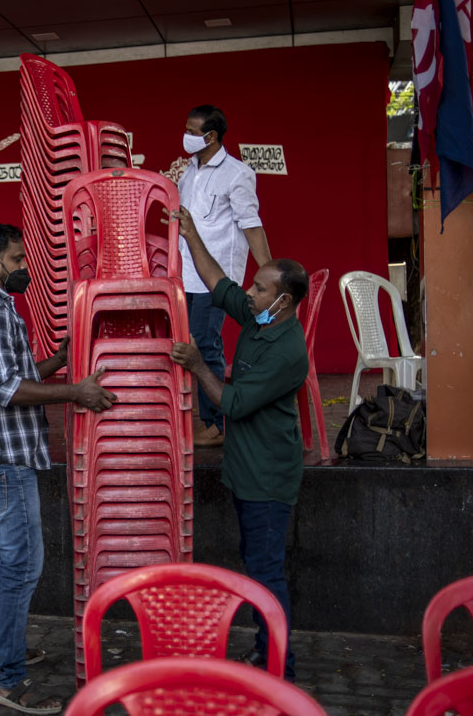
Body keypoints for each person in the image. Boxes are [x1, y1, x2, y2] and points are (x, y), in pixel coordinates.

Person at [0, 223, 116, 714]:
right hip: (5, 461)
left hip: (14, 456)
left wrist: (59, 361)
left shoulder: (1, 308)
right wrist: (77, 391)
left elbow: (15, 375)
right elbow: (7, 390)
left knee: (17, 564)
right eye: (18, 259)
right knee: (21, 566)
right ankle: (9, 679)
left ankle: (6, 650)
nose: (25, 267)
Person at [169, 203, 308, 682]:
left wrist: (196, 366)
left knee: (267, 573)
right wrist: (189, 234)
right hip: (247, 471)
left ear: (283, 301)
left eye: (259, 289)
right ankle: (265, 650)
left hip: (268, 477)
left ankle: (279, 669)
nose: (249, 293)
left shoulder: (288, 352)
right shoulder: (259, 318)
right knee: (257, 567)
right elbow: (217, 283)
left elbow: (230, 403)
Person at [176, 105, 272, 447]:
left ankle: (215, 424)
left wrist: (269, 276)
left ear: (211, 136)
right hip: (184, 274)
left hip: (215, 280)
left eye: (192, 130)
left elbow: (251, 225)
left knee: (205, 345)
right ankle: (197, 416)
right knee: (187, 345)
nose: (185, 136)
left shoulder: (237, 173)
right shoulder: (189, 171)